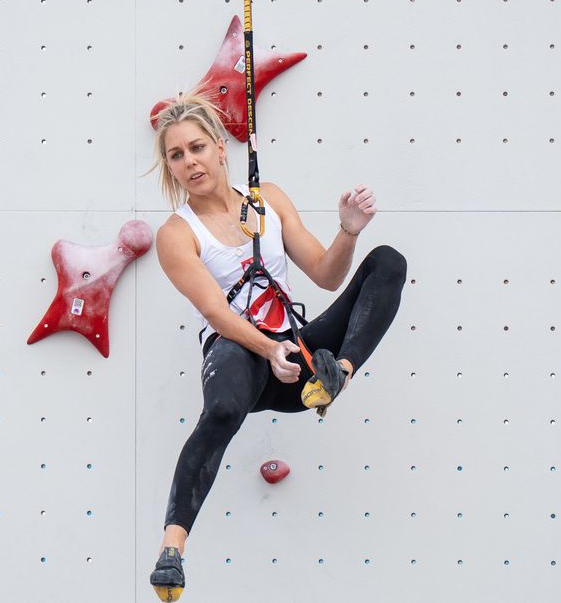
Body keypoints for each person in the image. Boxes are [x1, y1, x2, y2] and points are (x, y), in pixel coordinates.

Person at [146, 94, 406, 602]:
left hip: (299, 358)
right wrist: (269, 351)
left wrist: (347, 232)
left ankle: (338, 374)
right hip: (239, 355)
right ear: (170, 167)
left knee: (388, 261)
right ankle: (172, 549)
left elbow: (327, 275)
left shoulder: (268, 199)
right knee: (221, 410)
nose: (190, 162)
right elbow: (216, 313)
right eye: (176, 155)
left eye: (197, 147)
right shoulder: (176, 234)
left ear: (220, 148)